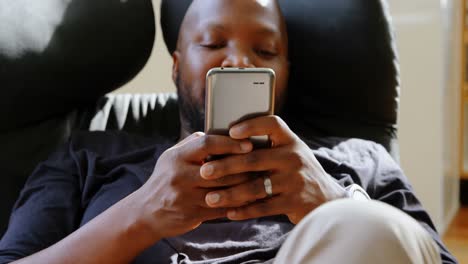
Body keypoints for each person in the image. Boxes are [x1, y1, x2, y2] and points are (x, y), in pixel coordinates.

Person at [0, 0, 457, 263]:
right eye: (213, 43)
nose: (239, 61)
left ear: (285, 71)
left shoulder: (358, 161)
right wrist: (139, 216)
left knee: (366, 224)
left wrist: (332, 202)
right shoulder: (90, 157)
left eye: (264, 49)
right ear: (177, 66)